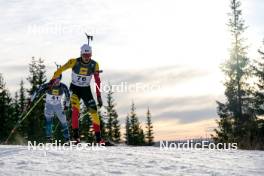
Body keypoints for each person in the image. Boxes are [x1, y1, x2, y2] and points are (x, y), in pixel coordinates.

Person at [51, 44, 103, 144]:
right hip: (74, 89)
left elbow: (97, 81)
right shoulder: (74, 62)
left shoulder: (94, 64)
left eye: (88, 56)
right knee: (75, 110)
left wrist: (99, 96)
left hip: (86, 90)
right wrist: (52, 80)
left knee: (94, 112)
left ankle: (99, 139)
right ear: (81, 54)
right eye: (84, 56)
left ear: (91, 55)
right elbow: (60, 70)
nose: (87, 58)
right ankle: (76, 138)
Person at [31, 75, 70, 142]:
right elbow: (38, 90)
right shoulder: (48, 85)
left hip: (58, 106)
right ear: (53, 79)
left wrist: (66, 105)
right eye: (55, 80)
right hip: (49, 105)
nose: (56, 82)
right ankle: (49, 137)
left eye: (58, 80)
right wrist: (31, 99)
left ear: (60, 80)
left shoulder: (63, 86)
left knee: (63, 121)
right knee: (49, 121)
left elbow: (67, 96)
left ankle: (67, 138)